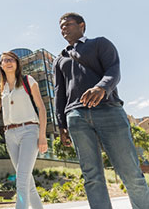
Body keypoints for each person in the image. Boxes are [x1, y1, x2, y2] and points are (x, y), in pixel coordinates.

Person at [54, 12, 149, 209]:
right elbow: (59, 92)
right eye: (61, 26)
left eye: (68, 24)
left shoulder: (100, 43)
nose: (63, 28)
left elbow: (114, 70)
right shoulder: (60, 58)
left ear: (82, 25)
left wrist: (102, 88)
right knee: (92, 176)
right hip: (76, 117)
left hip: (109, 111)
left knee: (130, 171)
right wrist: (61, 124)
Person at [0, 51, 48, 209]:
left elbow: (41, 108)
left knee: (21, 178)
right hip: (10, 135)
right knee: (28, 182)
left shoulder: (28, 81)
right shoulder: (0, 89)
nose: (8, 62)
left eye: (11, 59)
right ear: (1, 66)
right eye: (4, 60)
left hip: (29, 131)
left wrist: (42, 136)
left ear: (17, 63)